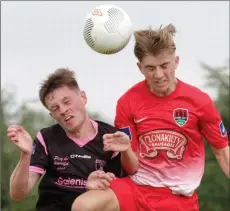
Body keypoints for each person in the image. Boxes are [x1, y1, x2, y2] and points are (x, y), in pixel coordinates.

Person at [71, 24, 230, 211]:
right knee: (83, 206)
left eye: (164, 66)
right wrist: (126, 150)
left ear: (176, 61)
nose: (159, 75)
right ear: (140, 67)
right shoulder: (127, 102)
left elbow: (222, 152)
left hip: (179, 199)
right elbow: (132, 168)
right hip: (136, 190)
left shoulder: (199, 101)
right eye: (150, 68)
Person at [7, 68, 138, 211]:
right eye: (55, 108)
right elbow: (18, 194)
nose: (63, 110)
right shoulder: (46, 138)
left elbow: (118, 192)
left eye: (67, 101)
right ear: (52, 116)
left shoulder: (110, 136)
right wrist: (26, 155)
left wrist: (92, 189)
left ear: (83, 97)